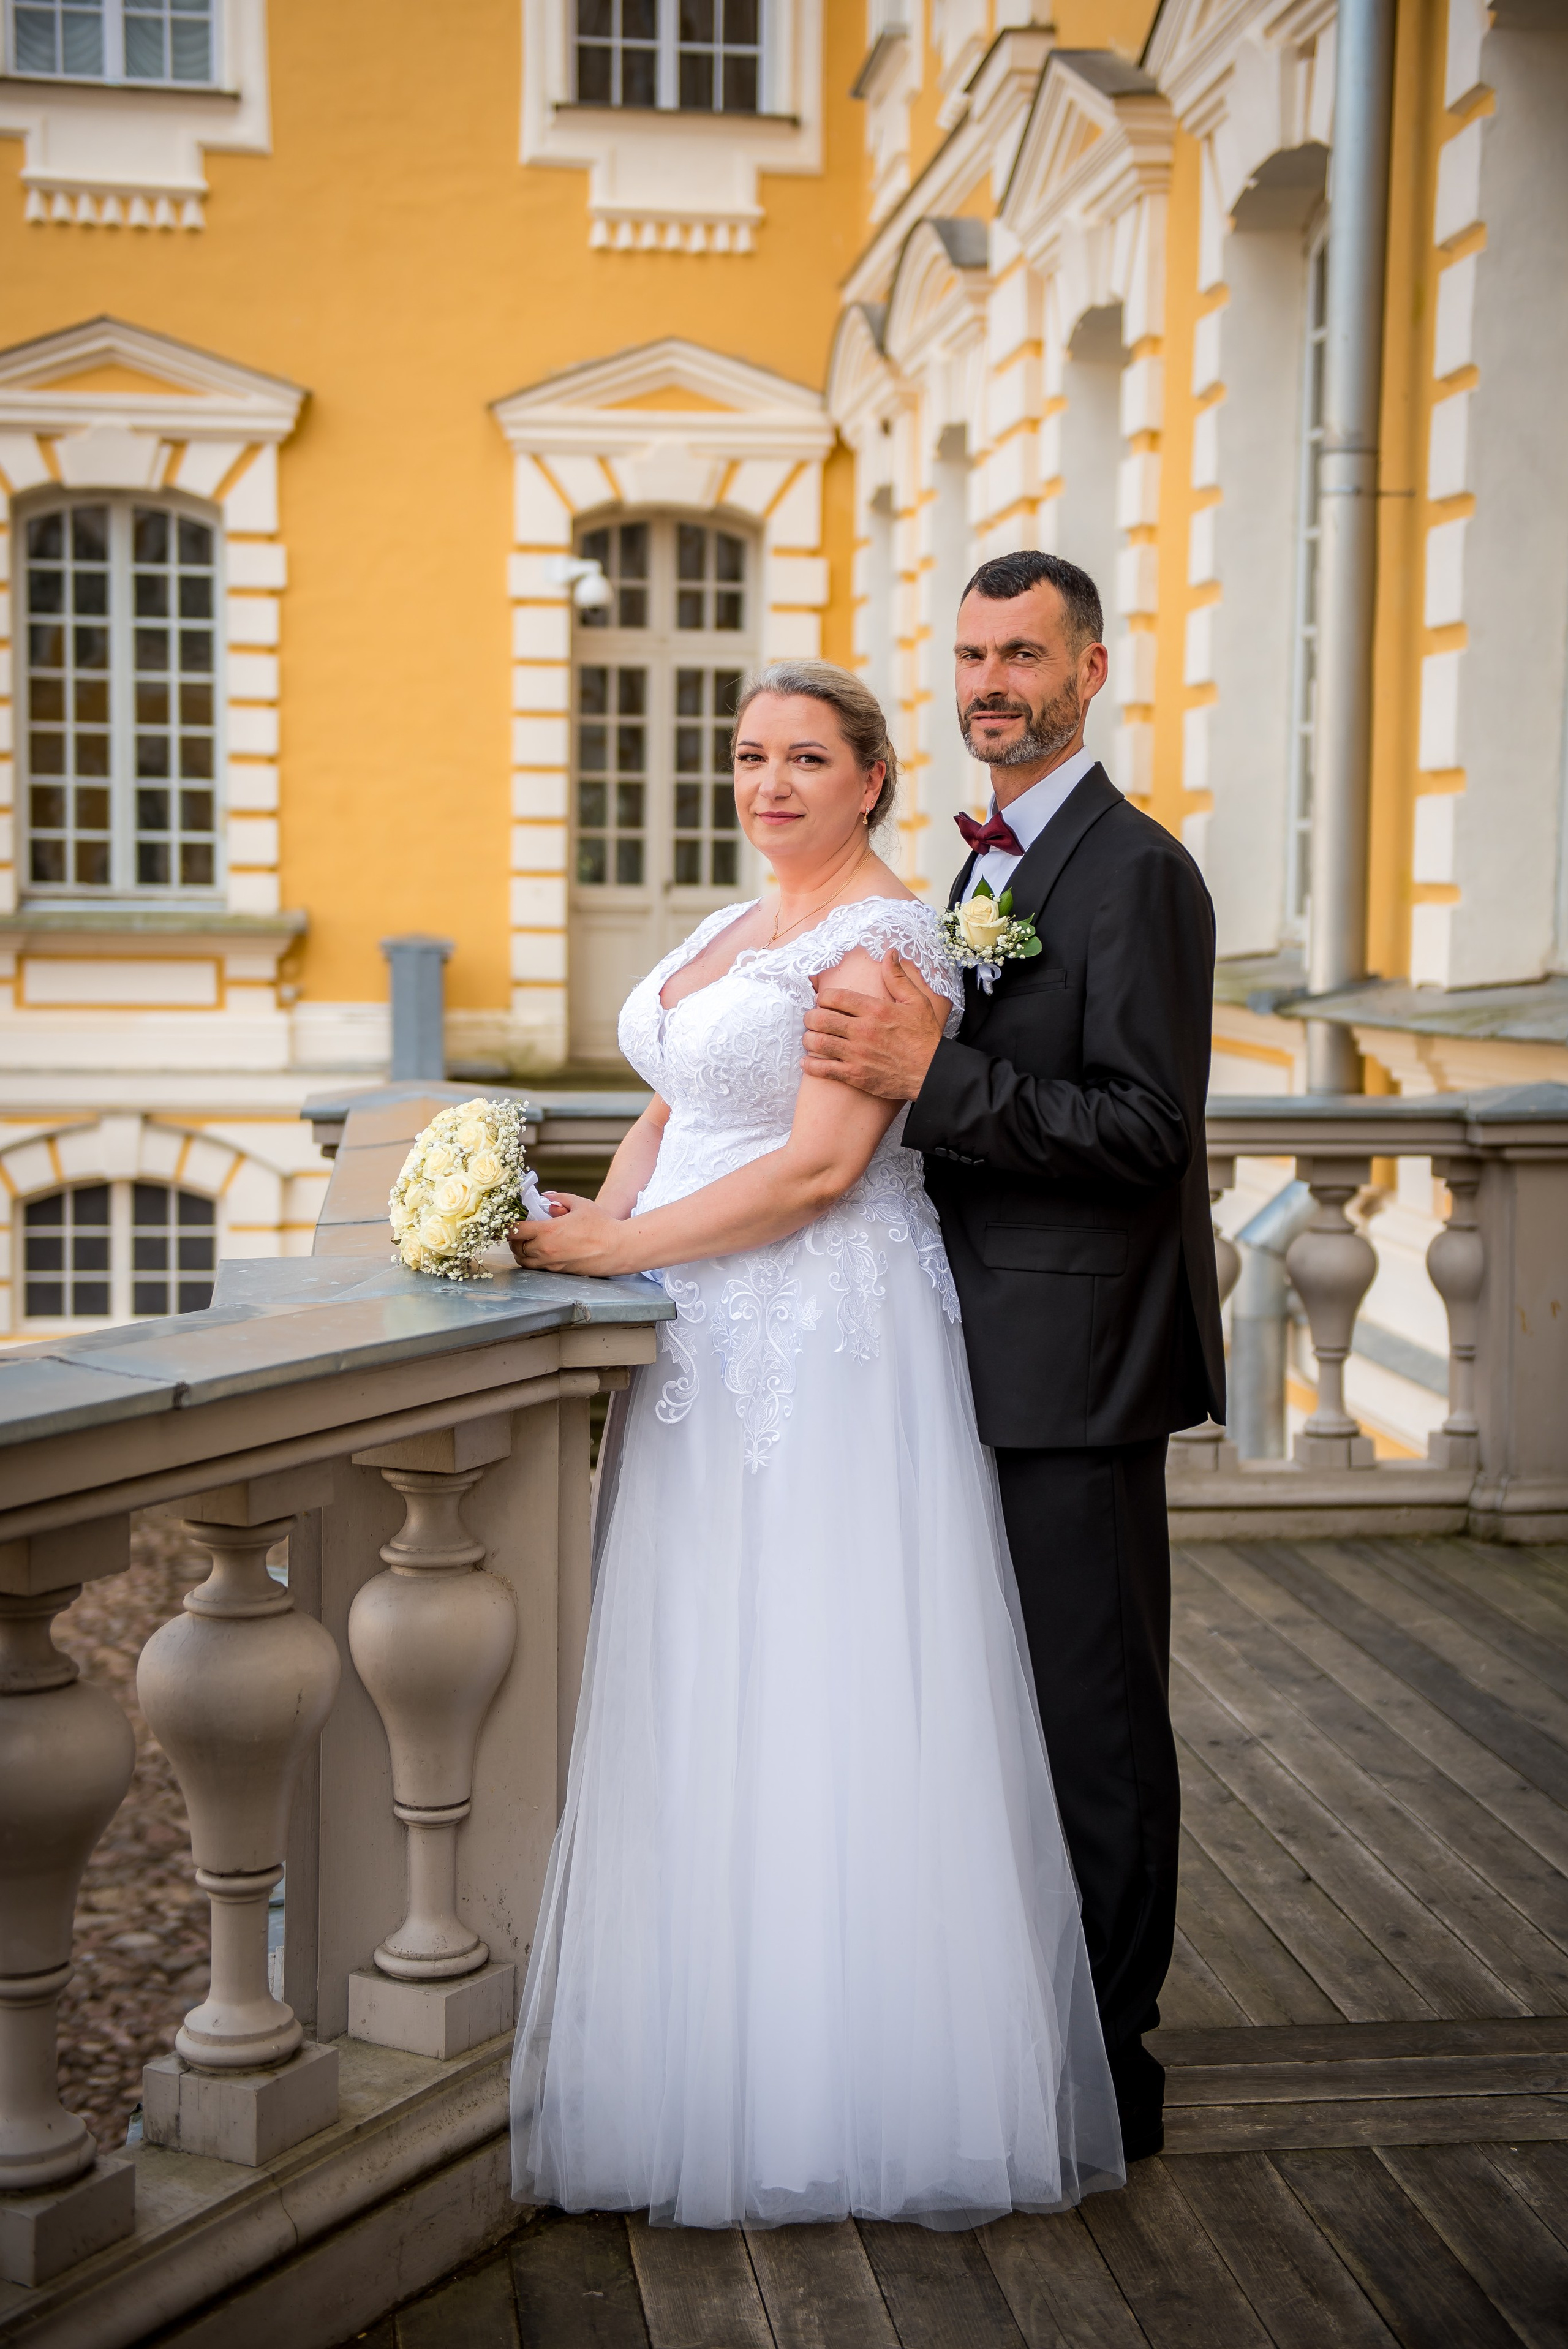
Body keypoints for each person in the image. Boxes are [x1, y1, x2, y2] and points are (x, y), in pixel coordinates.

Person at [506, 658, 1121, 2230]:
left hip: (821, 1329)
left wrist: (612, 1259)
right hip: (701, 1325)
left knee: (827, 1681)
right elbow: (668, 1099)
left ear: (869, 780)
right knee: (704, 1674)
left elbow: (816, 1171)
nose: (767, 783)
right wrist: (610, 1216)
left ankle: (849, 2083)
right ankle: (700, 2051)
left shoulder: (887, 937)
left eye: (802, 759)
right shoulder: (732, 928)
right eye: (746, 756)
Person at [802, 552, 1224, 2160]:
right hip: (956, 1346)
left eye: (1024, 653)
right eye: (973, 653)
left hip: (1082, 1363)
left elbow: (1149, 1132)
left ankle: (1114, 2062)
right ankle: (1022, 2020)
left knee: (1093, 1716)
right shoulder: (972, 866)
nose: (992, 679)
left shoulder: (1136, 872)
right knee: (989, 1711)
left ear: (1090, 670)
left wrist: (936, 1071)